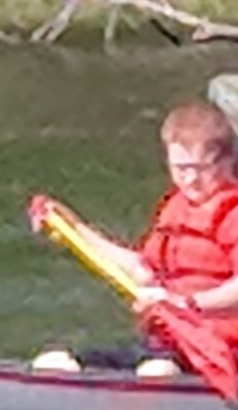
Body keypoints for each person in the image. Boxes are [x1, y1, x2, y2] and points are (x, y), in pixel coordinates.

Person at [32, 101, 238, 373]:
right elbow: (141, 268)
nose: (190, 180)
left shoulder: (232, 212)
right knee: (54, 363)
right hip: (168, 343)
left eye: (201, 168)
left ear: (228, 162)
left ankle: (159, 408)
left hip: (219, 350)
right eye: (180, 168)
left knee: (157, 372)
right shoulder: (174, 208)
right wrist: (73, 227)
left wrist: (186, 304)